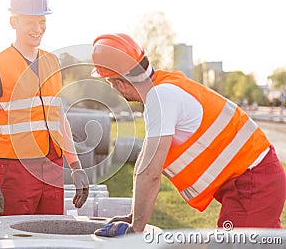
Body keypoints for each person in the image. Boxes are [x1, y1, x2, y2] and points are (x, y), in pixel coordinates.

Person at [90, 33, 286, 237]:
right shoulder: (166, 85)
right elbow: (144, 165)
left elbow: (150, 173)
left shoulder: (160, 98)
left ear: (119, 83)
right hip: (256, 178)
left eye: (110, 84)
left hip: (254, 182)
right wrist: (133, 217)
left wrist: (134, 229)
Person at [0, 0, 89, 217]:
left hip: (53, 167)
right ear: (13, 22)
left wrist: (76, 165)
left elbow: (59, 118)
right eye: (30, 22)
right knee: (18, 236)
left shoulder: (52, 62)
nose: (38, 29)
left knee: (52, 234)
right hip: (17, 169)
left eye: (42, 21)